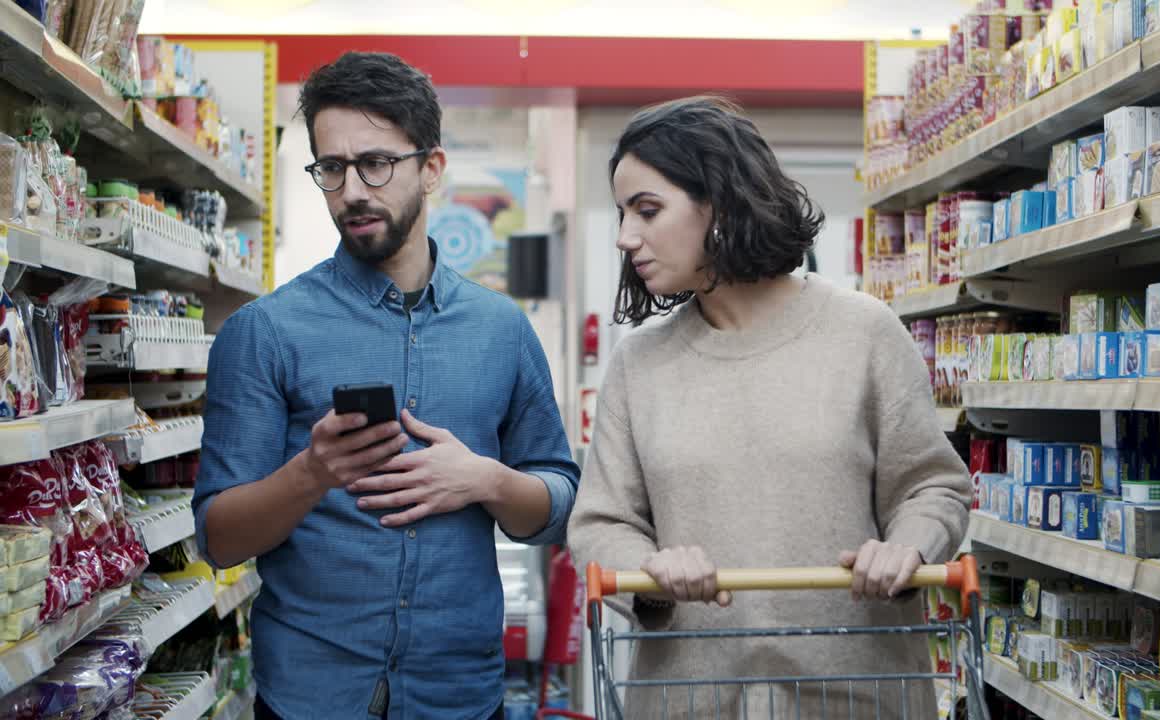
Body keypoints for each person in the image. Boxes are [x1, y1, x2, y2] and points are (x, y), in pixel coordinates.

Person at [194, 52, 579, 720]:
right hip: (310, 698)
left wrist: (486, 481)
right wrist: (311, 473)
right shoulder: (264, 332)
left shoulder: (501, 331)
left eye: (376, 163)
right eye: (332, 168)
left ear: (430, 169)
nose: (352, 191)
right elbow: (219, 538)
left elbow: (559, 505)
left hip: (459, 695)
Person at [567, 96, 972, 719]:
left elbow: (933, 487)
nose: (626, 237)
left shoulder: (864, 333)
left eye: (647, 210)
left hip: (858, 696)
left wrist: (908, 547)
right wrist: (649, 567)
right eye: (623, 214)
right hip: (690, 700)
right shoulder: (639, 364)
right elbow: (599, 524)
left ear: (721, 203)